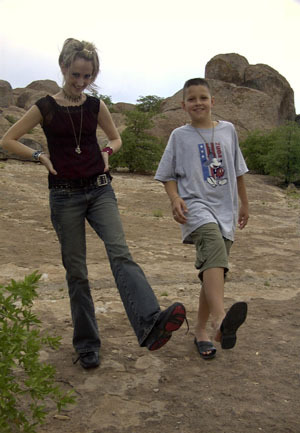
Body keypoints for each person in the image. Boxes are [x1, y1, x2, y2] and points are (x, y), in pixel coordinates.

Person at [1, 38, 186, 369]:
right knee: (77, 273)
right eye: (75, 75)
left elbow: (116, 138)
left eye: (87, 76)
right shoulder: (44, 106)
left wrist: (107, 153)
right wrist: (39, 157)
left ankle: (149, 322)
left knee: (120, 253)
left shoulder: (95, 106)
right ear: (63, 68)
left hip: (100, 190)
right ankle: (87, 343)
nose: (81, 82)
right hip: (64, 196)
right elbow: (8, 139)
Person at [155, 78, 249, 360]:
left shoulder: (228, 131)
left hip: (226, 209)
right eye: (192, 99)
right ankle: (220, 320)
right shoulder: (178, 136)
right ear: (183, 105)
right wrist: (175, 199)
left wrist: (244, 204)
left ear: (212, 102)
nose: (198, 103)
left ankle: (201, 332)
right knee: (211, 247)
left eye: (203, 98)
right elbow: (167, 175)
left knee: (214, 269)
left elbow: (238, 170)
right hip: (196, 207)